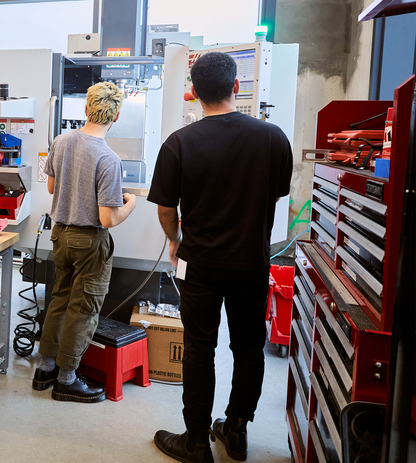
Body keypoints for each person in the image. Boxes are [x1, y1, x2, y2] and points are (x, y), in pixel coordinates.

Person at [147, 52, 293, 462]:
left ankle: (195, 441)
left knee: (199, 348)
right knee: (249, 348)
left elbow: (164, 208)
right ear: (237, 87)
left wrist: (175, 240)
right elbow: (276, 194)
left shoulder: (179, 142)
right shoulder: (273, 138)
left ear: (193, 93)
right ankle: (237, 430)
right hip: (251, 262)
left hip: (201, 265)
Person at [32, 81, 137, 403]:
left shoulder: (61, 141)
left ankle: (45, 369)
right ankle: (67, 380)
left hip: (60, 235)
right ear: (116, 116)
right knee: (84, 309)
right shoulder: (108, 158)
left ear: (87, 108)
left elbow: (51, 188)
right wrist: (129, 203)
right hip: (89, 240)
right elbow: (108, 219)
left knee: (59, 300)